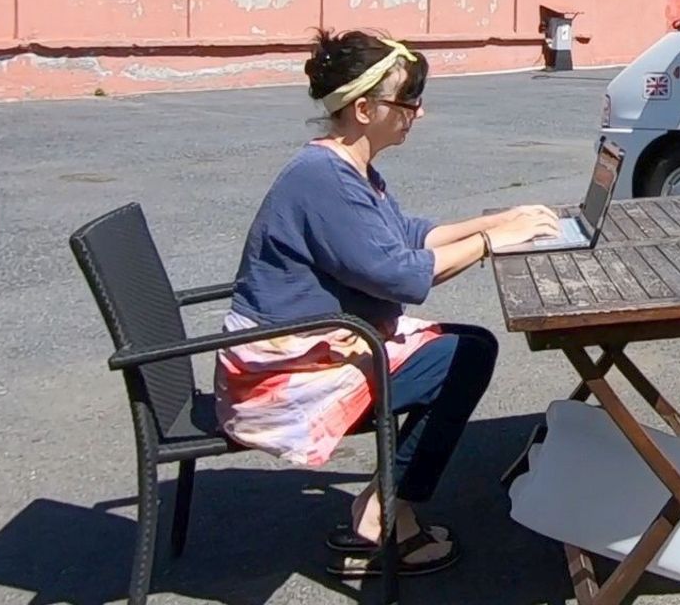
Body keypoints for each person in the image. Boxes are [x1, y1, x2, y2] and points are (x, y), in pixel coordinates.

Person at [215, 29, 562, 578]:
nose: (417, 114)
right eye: (407, 101)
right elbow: (398, 274)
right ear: (363, 108)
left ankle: (388, 507)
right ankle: (383, 514)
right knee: (462, 359)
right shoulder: (321, 179)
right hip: (279, 375)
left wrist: (500, 220)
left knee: (469, 345)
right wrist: (495, 242)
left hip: (310, 345)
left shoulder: (347, 169)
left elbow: (410, 235)